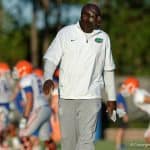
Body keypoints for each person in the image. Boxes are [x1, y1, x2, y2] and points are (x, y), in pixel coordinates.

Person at [43, 3, 117, 150]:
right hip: (67, 97)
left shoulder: (103, 38)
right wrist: (47, 77)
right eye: (95, 17)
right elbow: (51, 59)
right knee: (68, 142)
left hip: (91, 97)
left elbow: (108, 70)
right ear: (84, 17)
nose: (99, 20)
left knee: (86, 141)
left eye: (99, 17)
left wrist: (111, 98)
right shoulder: (65, 33)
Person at [12, 60, 52, 149]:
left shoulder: (26, 79)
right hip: (46, 109)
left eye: (18, 70)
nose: (16, 72)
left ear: (23, 70)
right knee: (46, 138)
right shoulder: (37, 77)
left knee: (23, 134)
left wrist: (25, 117)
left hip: (39, 110)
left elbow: (30, 98)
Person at [121, 77, 150, 143]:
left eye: (125, 87)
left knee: (148, 136)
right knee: (147, 137)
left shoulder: (138, 96)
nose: (124, 89)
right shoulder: (139, 92)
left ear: (131, 86)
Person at [115, 83, 128, 150]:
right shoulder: (119, 95)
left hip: (120, 114)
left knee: (122, 130)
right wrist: (124, 115)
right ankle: (118, 146)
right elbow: (120, 106)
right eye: (124, 88)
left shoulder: (121, 96)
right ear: (120, 88)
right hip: (120, 114)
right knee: (120, 130)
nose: (125, 89)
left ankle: (120, 145)